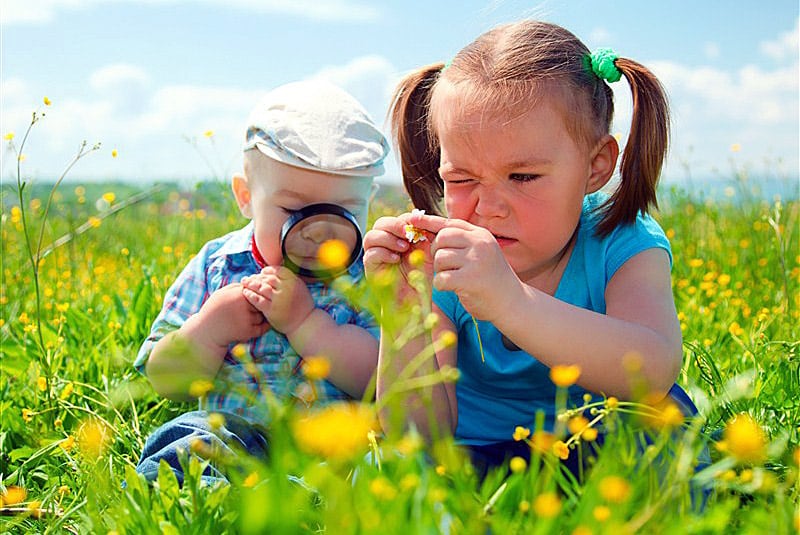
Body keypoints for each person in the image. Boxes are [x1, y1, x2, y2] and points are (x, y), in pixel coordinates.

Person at [363, 20, 708, 479]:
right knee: (385, 467)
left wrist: (510, 303)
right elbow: (419, 435)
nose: (487, 208)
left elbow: (652, 371)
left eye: (522, 177)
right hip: (475, 453)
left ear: (595, 167)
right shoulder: (442, 259)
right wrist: (403, 310)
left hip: (602, 445)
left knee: (666, 436)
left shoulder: (622, 238)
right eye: (461, 180)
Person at [134, 79, 389, 484]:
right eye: (293, 209)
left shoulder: (369, 275)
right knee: (189, 436)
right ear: (246, 196)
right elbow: (164, 377)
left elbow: (379, 380)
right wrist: (209, 328)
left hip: (335, 446)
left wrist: (307, 324)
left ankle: (311, 506)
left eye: (344, 210)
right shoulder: (218, 265)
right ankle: (215, 499)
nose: (319, 231)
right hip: (233, 438)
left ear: (369, 200)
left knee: (386, 460)